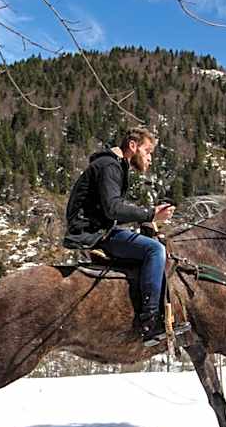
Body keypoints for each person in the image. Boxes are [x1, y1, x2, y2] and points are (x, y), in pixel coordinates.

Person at [63, 127, 179, 346]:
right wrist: (151, 213)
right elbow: (113, 209)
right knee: (155, 250)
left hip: (98, 228)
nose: (150, 158)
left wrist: (146, 221)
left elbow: (110, 209)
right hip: (93, 232)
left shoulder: (113, 165)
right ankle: (150, 320)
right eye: (148, 151)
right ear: (133, 146)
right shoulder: (109, 166)